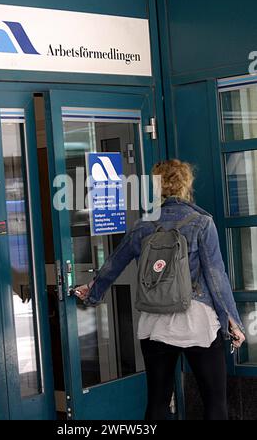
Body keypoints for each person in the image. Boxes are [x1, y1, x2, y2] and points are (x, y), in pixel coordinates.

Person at [75, 159, 245, 421]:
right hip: (196, 322)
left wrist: (93, 291)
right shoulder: (202, 222)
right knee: (214, 402)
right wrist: (232, 321)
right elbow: (216, 276)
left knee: (157, 402)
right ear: (187, 185)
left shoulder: (143, 226)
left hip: (154, 323)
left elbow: (113, 264)